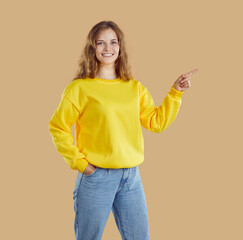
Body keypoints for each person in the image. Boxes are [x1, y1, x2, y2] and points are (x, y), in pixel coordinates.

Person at [48, 20, 199, 240]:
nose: (107, 48)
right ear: (93, 48)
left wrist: (175, 92)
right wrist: (80, 163)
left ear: (120, 47)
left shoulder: (134, 87)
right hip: (96, 176)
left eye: (113, 42)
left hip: (131, 178)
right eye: (101, 43)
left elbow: (156, 123)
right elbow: (58, 127)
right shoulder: (79, 88)